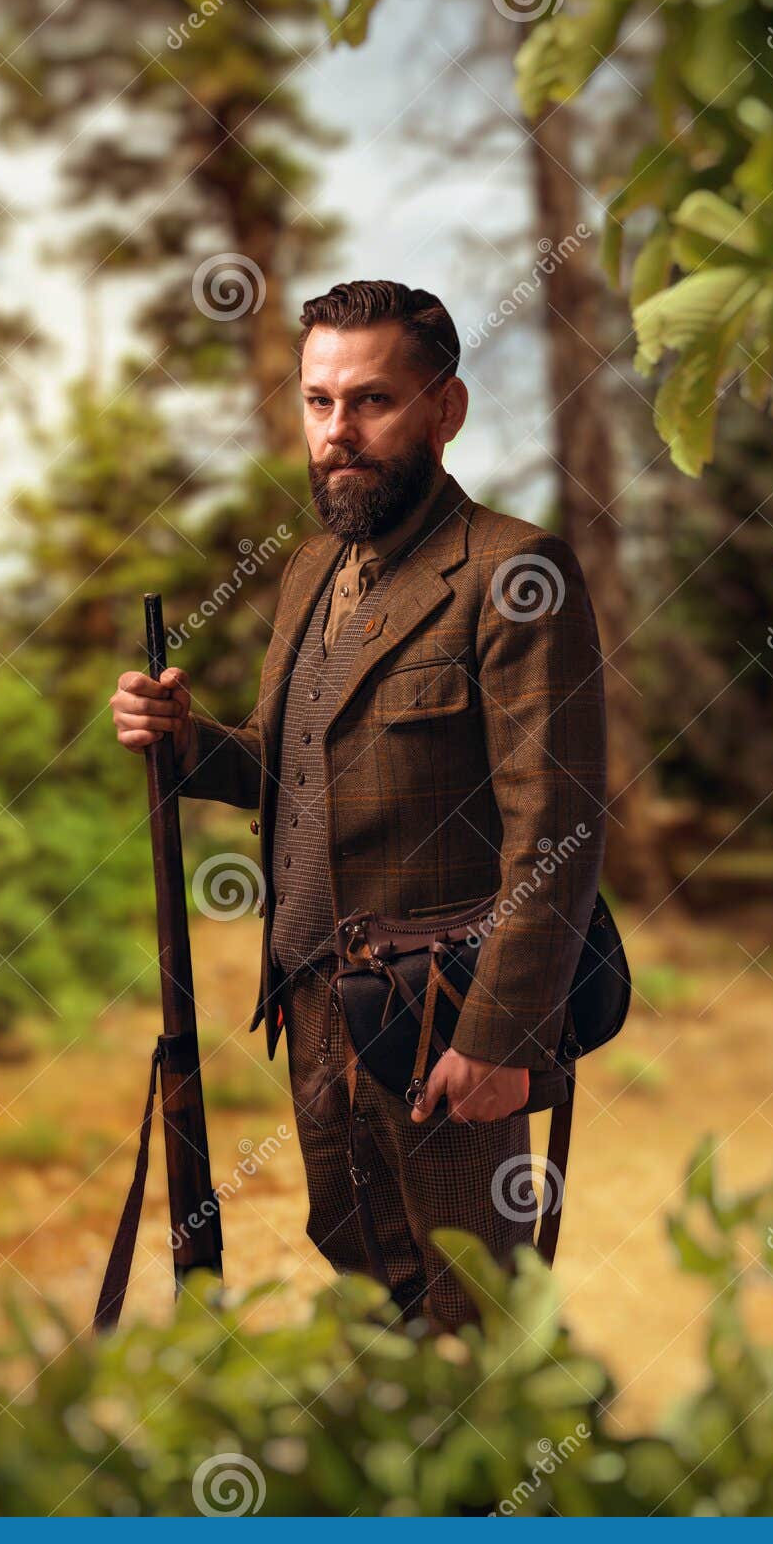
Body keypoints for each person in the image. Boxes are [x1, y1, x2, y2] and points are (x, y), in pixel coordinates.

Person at [110, 280, 607, 1330]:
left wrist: (504, 1033)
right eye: (318, 401)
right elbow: (300, 771)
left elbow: (555, 834)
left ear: (445, 409)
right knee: (373, 1301)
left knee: (475, 1314)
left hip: (441, 1018)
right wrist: (187, 742)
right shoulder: (309, 571)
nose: (339, 431)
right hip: (315, 1014)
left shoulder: (513, 573)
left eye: (371, 400)